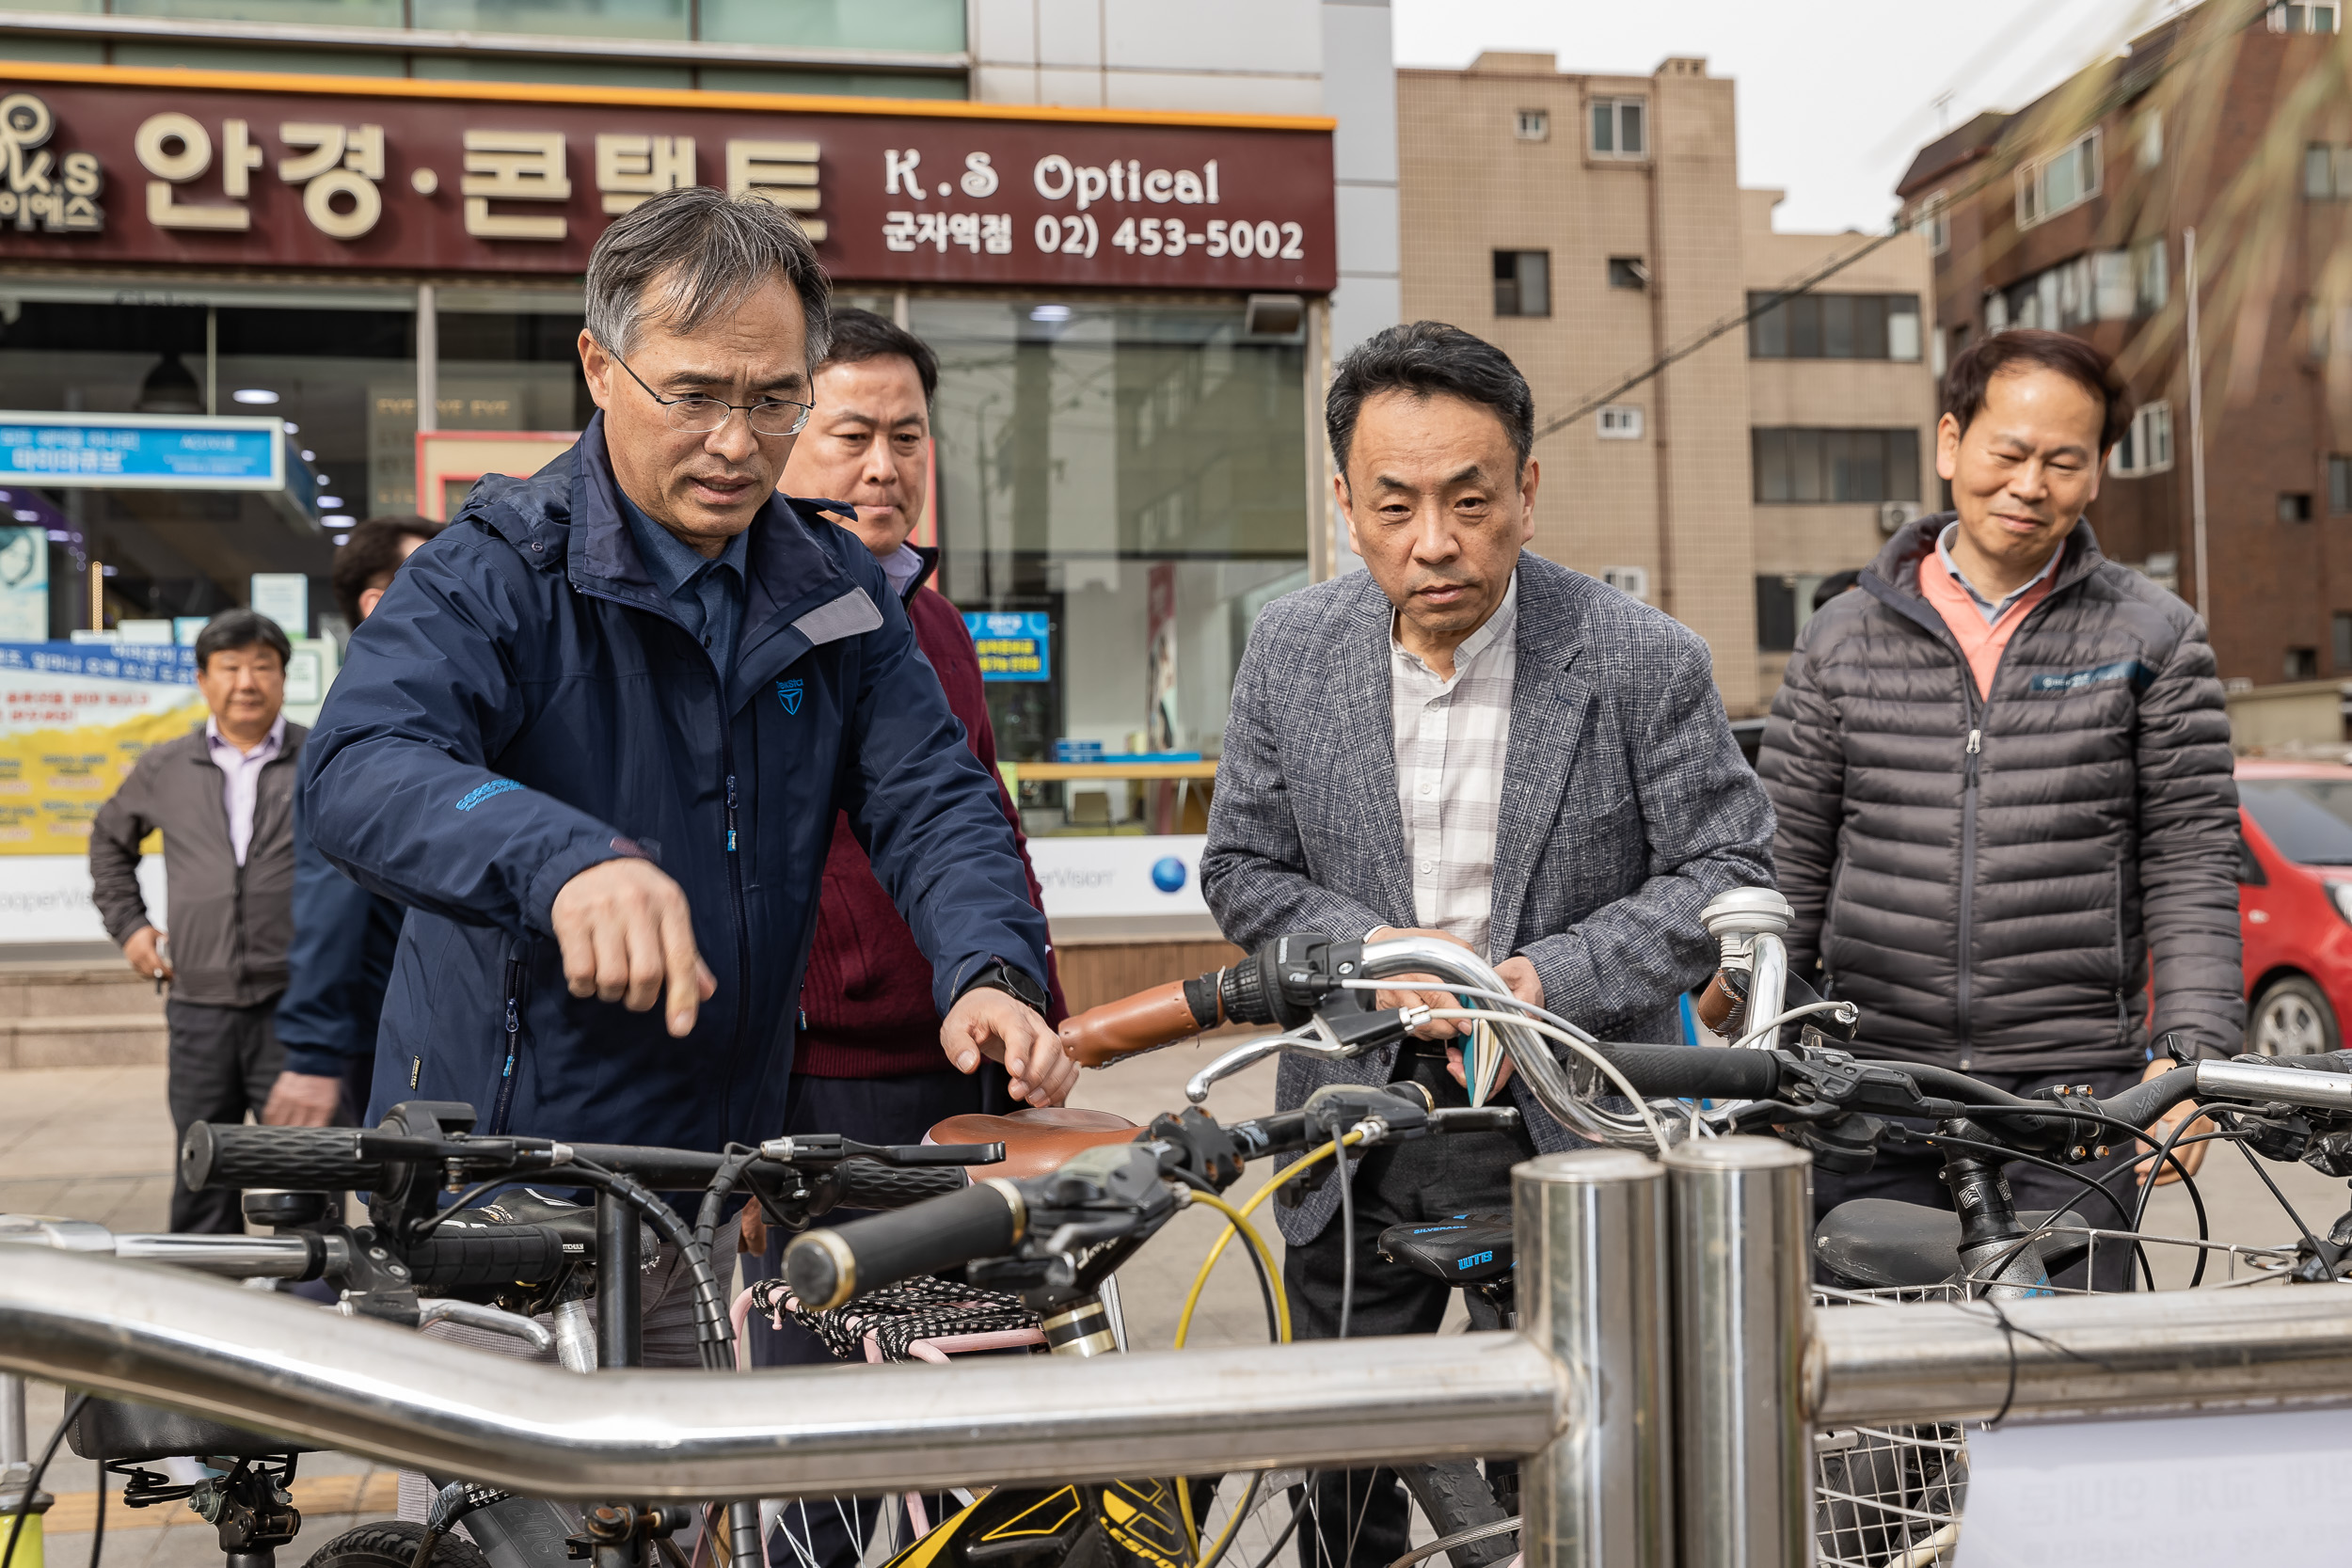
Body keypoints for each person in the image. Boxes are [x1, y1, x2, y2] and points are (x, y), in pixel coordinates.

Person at [300, 186, 1073, 1366]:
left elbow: (933, 793)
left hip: (714, 1171)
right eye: (696, 394)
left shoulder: (836, 589)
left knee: (690, 1515)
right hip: (506, 1181)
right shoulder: (497, 570)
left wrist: (990, 965)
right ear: (600, 367)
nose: (735, 441)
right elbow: (359, 766)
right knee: (518, 1534)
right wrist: (561, 860)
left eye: (773, 401)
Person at [1200, 320, 1774, 1568]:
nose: (1438, 540)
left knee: (1575, 1473)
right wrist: (1369, 947)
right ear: (1345, 503)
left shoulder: (1640, 659)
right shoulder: (1291, 652)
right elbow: (1241, 865)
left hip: (1572, 1121)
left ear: (1527, 486)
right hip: (1355, 1121)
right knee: (1345, 1482)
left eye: (1471, 498)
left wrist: (1548, 977)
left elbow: (1730, 867)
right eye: (1397, 503)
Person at [1758, 328, 2241, 1275]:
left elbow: (2190, 862)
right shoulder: (1840, 638)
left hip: (2078, 1106)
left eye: (2063, 460)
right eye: (2008, 452)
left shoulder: (2156, 634)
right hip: (1873, 1097)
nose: (2030, 483)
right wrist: (1769, 1018)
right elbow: (1787, 862)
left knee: (2061, 1393)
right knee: (1892, 1402)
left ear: (2098, 471)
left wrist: (2188, 1061)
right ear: (1949, 444)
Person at [744, 308, 1069, 1360]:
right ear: (785, 432)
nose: (884, 466)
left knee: (988, 1400)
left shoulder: (931, 617)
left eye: (908, 435)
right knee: (823, 1450)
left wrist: (1028, 994)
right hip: (815, 1087)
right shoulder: (736, 617)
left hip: (961, 1060)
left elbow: (981, 818)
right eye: (853, 435)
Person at [89, 610, 303, 1234]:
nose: (247, 681)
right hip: (200, 1007)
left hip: (298, 1005)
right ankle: (209, 1301)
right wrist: (130, 926)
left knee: (309, 1170)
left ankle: (314, 1310)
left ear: (283, 679)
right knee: (203, 1167)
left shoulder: (318, 755)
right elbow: (109, 841)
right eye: (230, 667)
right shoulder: (166, 765)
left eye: (262, 666)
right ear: (204, 680)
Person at [262, 515, 446, 1128]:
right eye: (443, 575)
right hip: (397, 1031)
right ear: (379, 602)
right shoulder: (370, 735)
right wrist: (314, 1053)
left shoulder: (450, 707)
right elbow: (329, 899)